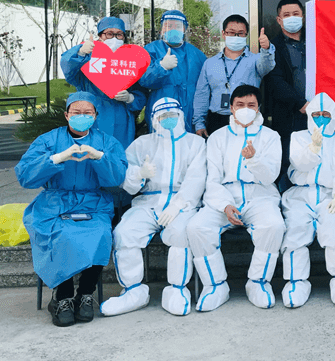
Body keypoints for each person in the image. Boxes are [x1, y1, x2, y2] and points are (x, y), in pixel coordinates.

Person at [15, 92, 127, 327]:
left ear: (95, 116)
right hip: (54, 202)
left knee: (101, 233)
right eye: (76, 112)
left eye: (88, 113)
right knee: (60, 235)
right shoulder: (48, 140)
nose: (82, 116)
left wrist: (99, 157)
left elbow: (118, 176)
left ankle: (85, 294)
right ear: (66, 115)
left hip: (93, 201)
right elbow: (25, 175)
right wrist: (57, 158)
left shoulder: (106, 142)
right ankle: (62, 297)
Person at [100, 98, 207, 317]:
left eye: (172, 115)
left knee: (181, 233)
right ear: (154, 120)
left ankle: (177, 290)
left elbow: (197, 179)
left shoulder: (195, 143)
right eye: (162, 117)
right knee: (124, 233)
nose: (168, 120)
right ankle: (133, 291)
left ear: (181, 116)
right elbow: (126, 177)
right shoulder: (142, 144)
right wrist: (139, 174)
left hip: (182, 203)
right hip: (148, 202)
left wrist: (178, 205)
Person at [185, 85, 285, 311]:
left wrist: (254, 160)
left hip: (260, 196)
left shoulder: (270, 137)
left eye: (251, 105)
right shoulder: (217, 137)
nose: (245, 109)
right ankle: (215, 285)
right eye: (240, 105)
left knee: (273, 225)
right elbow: (212, 179)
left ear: (258, 108)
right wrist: (225, 205)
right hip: (225, 196)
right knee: (197, 227)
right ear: (231, 108)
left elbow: (270, 176)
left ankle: (258, 282)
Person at [281, 92, 335, 308]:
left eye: (325, 114)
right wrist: (313, 149)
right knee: (295, 229)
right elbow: (299, 164)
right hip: (300, 195)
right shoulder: (298, 137)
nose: (321, 118)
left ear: (333, 115)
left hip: (330, 195)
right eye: (316, 114)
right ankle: (296, 282)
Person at [60, 17, 146, 148]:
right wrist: (80, 53)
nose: (115, 38)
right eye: (109, 34)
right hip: (92, 116)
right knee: (91, 153)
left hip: (121, 120)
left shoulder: (130, 62)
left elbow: (141, 90)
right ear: (100, 36)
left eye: (119, 34)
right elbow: (69, 70)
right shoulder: (88, 56)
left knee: (118, 154)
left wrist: (130, 98)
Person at [193, 14, 276, 137]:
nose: (236, 36)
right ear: (223, 34)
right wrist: (199, 123)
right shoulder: (210, 63)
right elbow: (202, 95)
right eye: (231, 33)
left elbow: (268, 65)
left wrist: (266, 48)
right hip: (217, 120)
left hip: (248, 119)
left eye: (240, 33)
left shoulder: (256, 60)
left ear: (246, 35)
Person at [264, 0, 309, 192]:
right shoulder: (273, 47)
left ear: (303, 16)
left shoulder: (316, 40)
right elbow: (275, 81)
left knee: (313, 156)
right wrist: (300, 103)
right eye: (287, 15)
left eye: (296, 14)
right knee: (287, 160)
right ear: (279, 20)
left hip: (316, 114)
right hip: (289, 114)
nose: (292, 18)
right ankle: (286, 199)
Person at [139, 10, 207, 132]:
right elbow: (143, 80)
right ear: (162, 29)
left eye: (177, 26)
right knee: (161, 141)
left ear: (184, 29)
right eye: (169, 26)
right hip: (161, 112)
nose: (173, 29)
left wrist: (200, 120)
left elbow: (205, 89)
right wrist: (161, 67)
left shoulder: (197, 55)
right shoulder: (151, 50)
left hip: (190, 113)